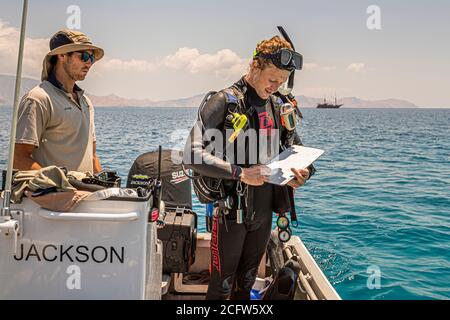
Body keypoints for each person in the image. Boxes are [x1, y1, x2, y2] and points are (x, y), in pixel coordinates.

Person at [184, 35, 315, 300]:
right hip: (231, 212)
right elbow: (191, 155)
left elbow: (299, 152)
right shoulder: (224, 101)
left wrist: (303, 174)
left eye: (282, 81)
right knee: (222, 286)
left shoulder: (278, 105)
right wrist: (241, 173)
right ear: (255, 67)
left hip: (264, 211)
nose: (276, 86)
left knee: (246, 282)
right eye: (272, 79)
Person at [14, 29, 104, 174]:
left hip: (85, 193)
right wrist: (61, 185)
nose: (89, 63)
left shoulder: (86, 102)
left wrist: (106, 186)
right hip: (54, 194)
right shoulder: (38, 99)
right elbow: (18, 158)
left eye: (91, 58)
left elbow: (92, 157)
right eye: (84, 56)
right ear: (62, 55)